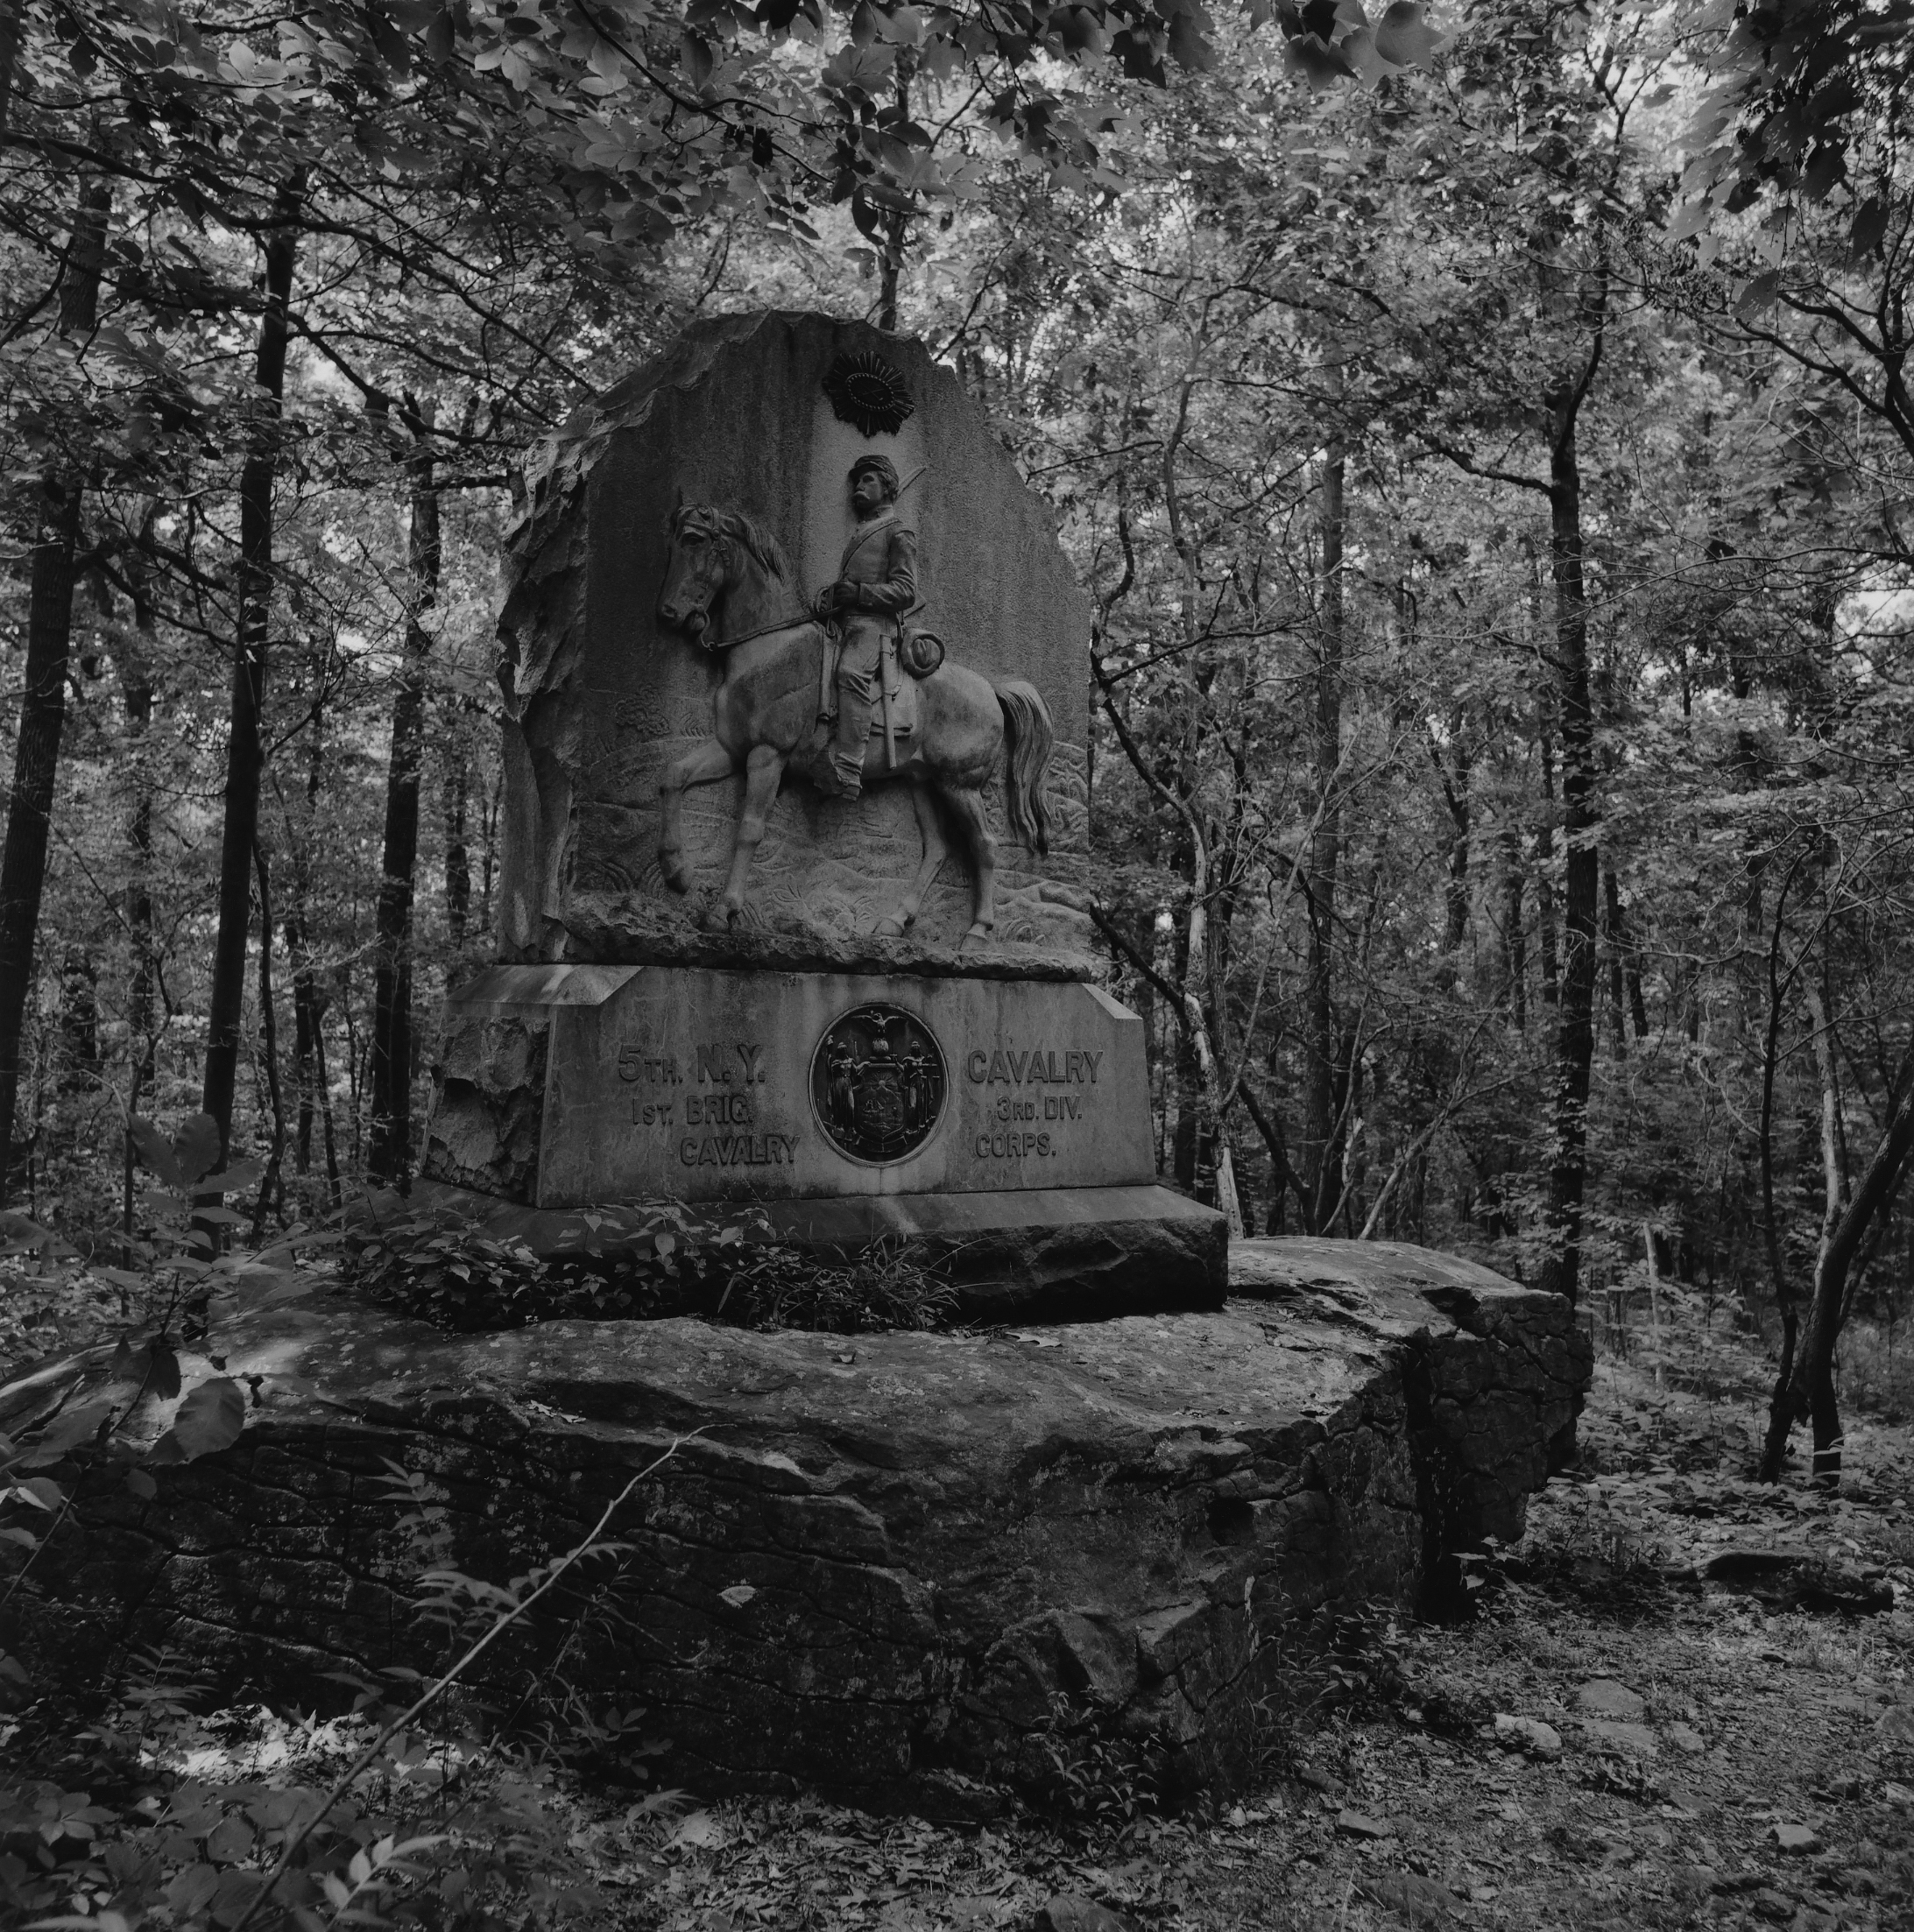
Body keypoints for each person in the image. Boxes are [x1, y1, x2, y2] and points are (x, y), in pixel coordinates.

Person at [816, 453, 918, 800]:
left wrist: (859, 593)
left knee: (850, 675)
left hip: (876, 627)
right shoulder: (864, 530)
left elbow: (906, 591)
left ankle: (848, 768)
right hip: (846, 623)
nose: (858, 487)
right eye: (857, 482)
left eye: (868, 480)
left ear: (888, 487)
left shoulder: (898, 532)